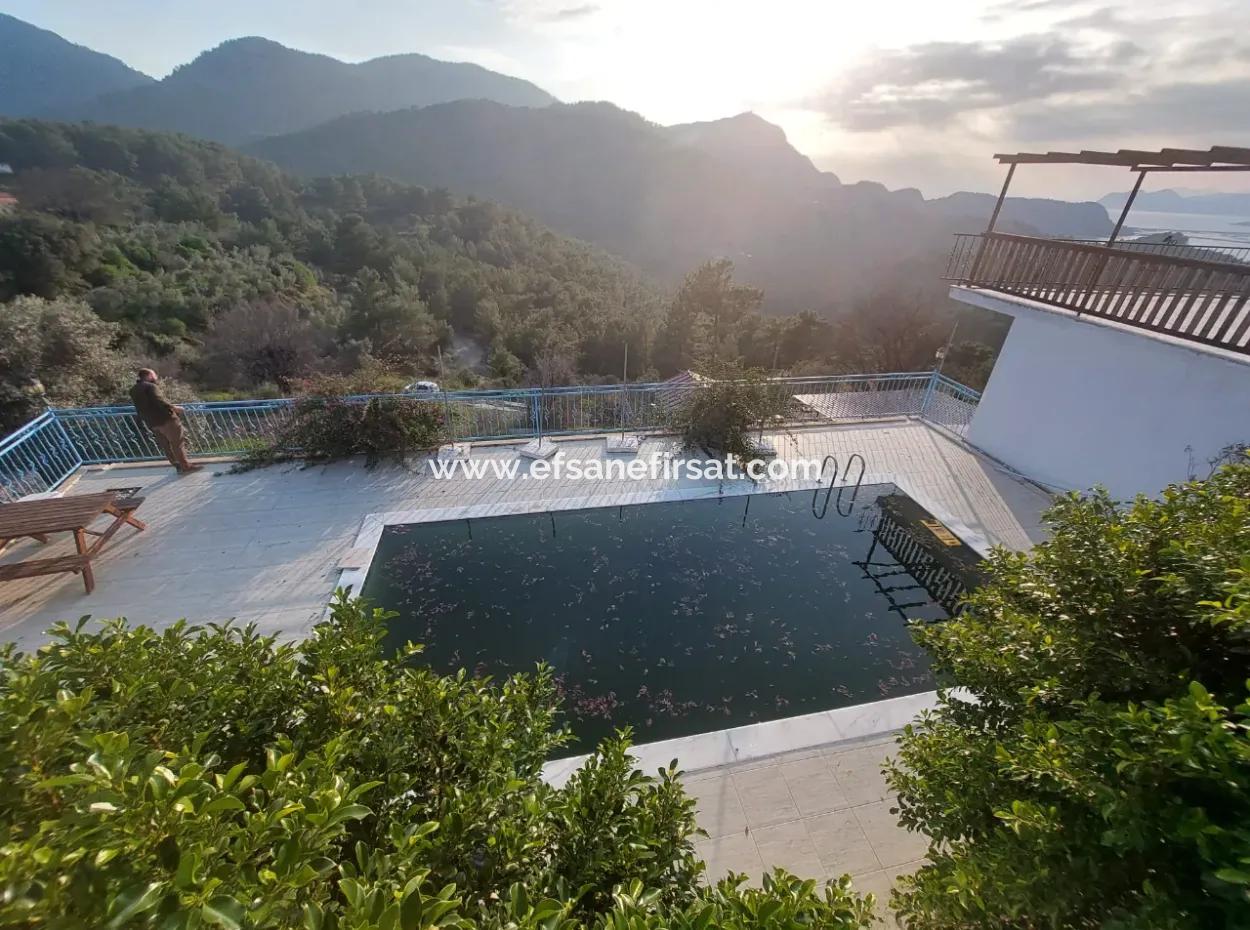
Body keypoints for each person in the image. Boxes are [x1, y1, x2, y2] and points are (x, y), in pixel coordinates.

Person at [129, 369, 201, 474]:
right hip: (166, 419)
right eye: (154, 374)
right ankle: (185, 466)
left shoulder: (133, 390)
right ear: (149, 376)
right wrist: (175, 408)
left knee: (166, 445)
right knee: (177, 443)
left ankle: (178, 466)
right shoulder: (151, 387)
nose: (156, 377)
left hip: (152, 422)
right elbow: (160, 401)